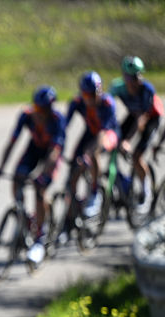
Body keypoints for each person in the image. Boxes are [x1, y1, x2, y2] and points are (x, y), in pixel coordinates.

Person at [0, 86, 66, 265]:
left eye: (44, 110)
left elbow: (54, 152)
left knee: (40, 188)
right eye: (37, 108)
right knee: (18, 177)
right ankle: (24, 216)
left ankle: (40, 236)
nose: (39, 113)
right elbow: (12, 142)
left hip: (50, 153)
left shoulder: (57, 120)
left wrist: (42, 174)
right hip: (34, 149)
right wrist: (1, 167)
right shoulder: (26, 115)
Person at [63, 71, 118, 218]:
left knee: (93, 154)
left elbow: (102, 134)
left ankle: (95, 192)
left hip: (108, 133)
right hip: (91, 132)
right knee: (74, 169)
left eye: (94, 95)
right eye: (87, 96)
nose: (91, 100)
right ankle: (71, 215)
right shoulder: (77, 102)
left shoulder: (107, 103)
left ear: (100, 92)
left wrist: (88, 154)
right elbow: (63, 127)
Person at [110, 56, 163, 208]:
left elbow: (142, 119)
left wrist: (127, 141)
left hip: (151, 118)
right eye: (129, 77)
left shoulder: (147, 90)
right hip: (134, 115)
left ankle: (147, 192)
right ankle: (127, 180)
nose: (133, 82)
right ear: (123, 76)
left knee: (137, 156)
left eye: (137, 77)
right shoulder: (117, 87)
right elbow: (107, 107)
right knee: (115, 144)